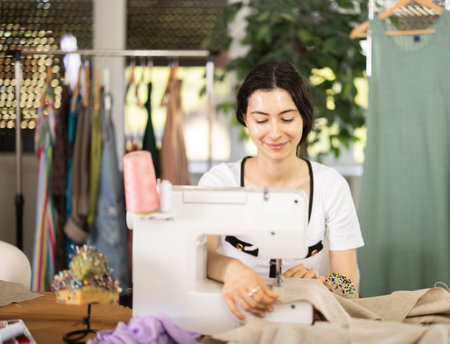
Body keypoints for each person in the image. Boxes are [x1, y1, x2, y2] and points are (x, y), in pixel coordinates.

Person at [198, 61, 364, 321]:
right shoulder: (220, 181)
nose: (274, 133)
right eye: (261, 120)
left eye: (287, 119)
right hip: (236, 315)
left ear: (304, 118)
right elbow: (199, 255)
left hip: (307, 319)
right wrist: (233, 270)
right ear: (245, 118)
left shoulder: (330, 185)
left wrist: (319, 282)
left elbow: (349, 287)